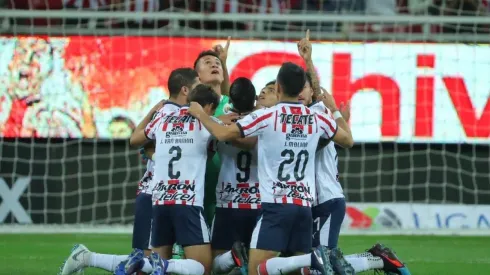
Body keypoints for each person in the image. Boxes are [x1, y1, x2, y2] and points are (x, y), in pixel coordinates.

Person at [188, 62, 354, 275]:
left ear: (278, 88)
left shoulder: (267, 116)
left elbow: (223, 134)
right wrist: (336, 113)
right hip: (303, 208)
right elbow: (348, 140)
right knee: (295, 269)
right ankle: (313, 259)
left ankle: (313, 258)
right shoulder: (318, 118)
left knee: (256, 270)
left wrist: (201, 115)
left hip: (275, 207)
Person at [57, 68, 200, 275]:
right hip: (156, 193)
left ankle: (86, 257)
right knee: (147, 263)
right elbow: (137, 141)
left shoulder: (174, 113)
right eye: (197, 86)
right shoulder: (169, 114)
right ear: (186, 90)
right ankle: (85, 257)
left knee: (159, 262)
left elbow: (138, 140)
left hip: (172, 196)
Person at [296, 33, 411, 275]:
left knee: (320, 264)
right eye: (296, 88)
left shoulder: (318, 111)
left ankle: (375, 259)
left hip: (326, 199)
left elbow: (318, 95)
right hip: (306, 202)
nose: (300, 92)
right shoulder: (292, 118)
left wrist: (308, 61)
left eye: (304, 88)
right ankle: (376, 257)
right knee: (309, 263)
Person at [130, 83, 220, 275]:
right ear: (210, 107)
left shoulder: (163, 120)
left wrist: (153, 112)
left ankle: (97, 259)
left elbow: (136, 139)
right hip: (187, 203)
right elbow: (223, 135)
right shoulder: (208, 123)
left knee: (155, 267)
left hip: (160, 202)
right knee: (203, 268)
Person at [210, 77, 259, 275]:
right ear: (255, 99)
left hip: (227, 202)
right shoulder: (264, 119)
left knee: (216, 265)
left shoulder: (219, 121)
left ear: (231, 100)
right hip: (258, 203)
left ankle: (232, 257)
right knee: (257, 264)